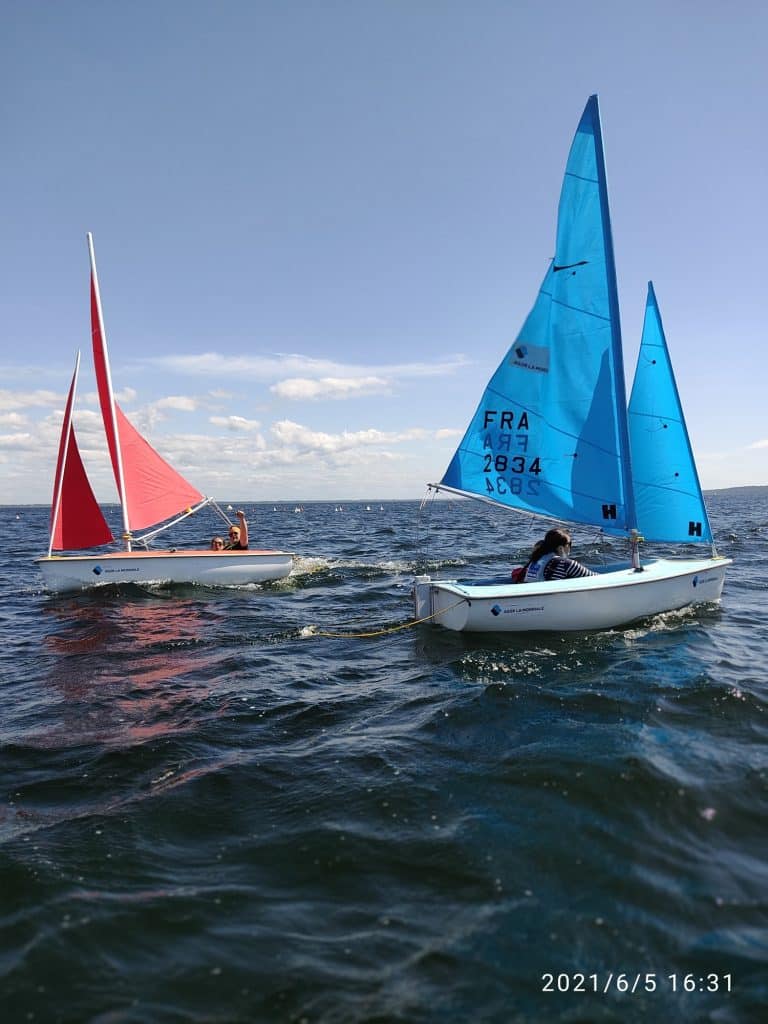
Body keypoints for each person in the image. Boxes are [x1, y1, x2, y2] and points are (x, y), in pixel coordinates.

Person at [521, 527, 597, 582]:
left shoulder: (535, 560)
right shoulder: (566, 564)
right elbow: (595, 578)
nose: (570, 547)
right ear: (560, 548)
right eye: (569, 544)